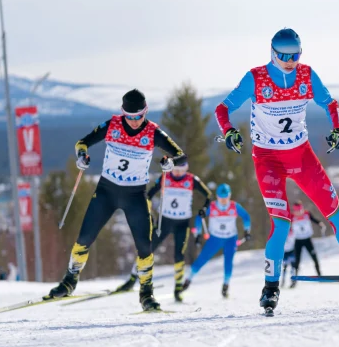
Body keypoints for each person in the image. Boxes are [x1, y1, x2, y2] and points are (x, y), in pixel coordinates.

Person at [214, 28, 339, 312]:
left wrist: (338, 129)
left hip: (301, 155)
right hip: (268, 159)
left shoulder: (307, 75)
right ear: (272, 54)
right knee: (281, 222)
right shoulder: (256, 78)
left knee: (333, 210)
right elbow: (222, 109)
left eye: (295, 55)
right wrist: (228, 132)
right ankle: (270, 288)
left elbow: (330, 104)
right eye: (284, 55)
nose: (290, 60)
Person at [45, 89, 187, 311]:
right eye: (128, 116)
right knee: (84, 237)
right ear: (122, 113)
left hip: (135, 195)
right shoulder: (112, 125)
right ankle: (70, 281)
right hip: (106, 192)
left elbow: (180, 155)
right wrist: (82, 157)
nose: (132, 121)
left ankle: (146, 293)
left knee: (144, 246)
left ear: (145, 112)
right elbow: (82, 143)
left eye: (137, 116)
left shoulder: (153, 132)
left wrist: (169, 162)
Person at [115, 160, 211, 302]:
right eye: (175, 170)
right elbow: (148, 195)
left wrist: (204, 209)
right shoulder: (165, 178)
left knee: (179, 255)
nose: (177, 173)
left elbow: (208, 195)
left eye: (181, 170)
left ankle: (178, 288)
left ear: (186, 169)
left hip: (182, 223)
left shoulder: (192, 180)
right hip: (164, 221)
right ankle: (132, 279)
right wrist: (149, 214)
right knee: (147, 249)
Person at [182, 184, 251, 298]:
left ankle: (226, 284)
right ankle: (188, 279)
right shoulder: (212, 206)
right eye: (221, 197)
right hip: (215, 239)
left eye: (226, 197)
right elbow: (199, 218)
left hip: (230, 238)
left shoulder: (234, 206)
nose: (223, 200)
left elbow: (246, 217)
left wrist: (247, 231)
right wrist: (198, 233)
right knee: (202, 258)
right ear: (217, 197)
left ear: (229, 196)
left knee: (228, 262)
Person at [289, 200, 326, 288]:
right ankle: (294, 281)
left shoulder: (307, 214)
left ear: (302, 209)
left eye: (299, 210)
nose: (298, 213)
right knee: (296, 261)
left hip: (307, 239)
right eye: (296, 211)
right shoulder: (292, 217)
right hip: (298, 241)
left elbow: (314, 220)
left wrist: (320, 224)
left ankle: (319, 276)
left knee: (314, 258)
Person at [280, 222, 295, 288]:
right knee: (284, 268)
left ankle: (293, 281)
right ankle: (283, 281)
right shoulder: (281, 232)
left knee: (292, 267)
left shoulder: (292, 232)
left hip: (291, 251)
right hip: (285, 252)